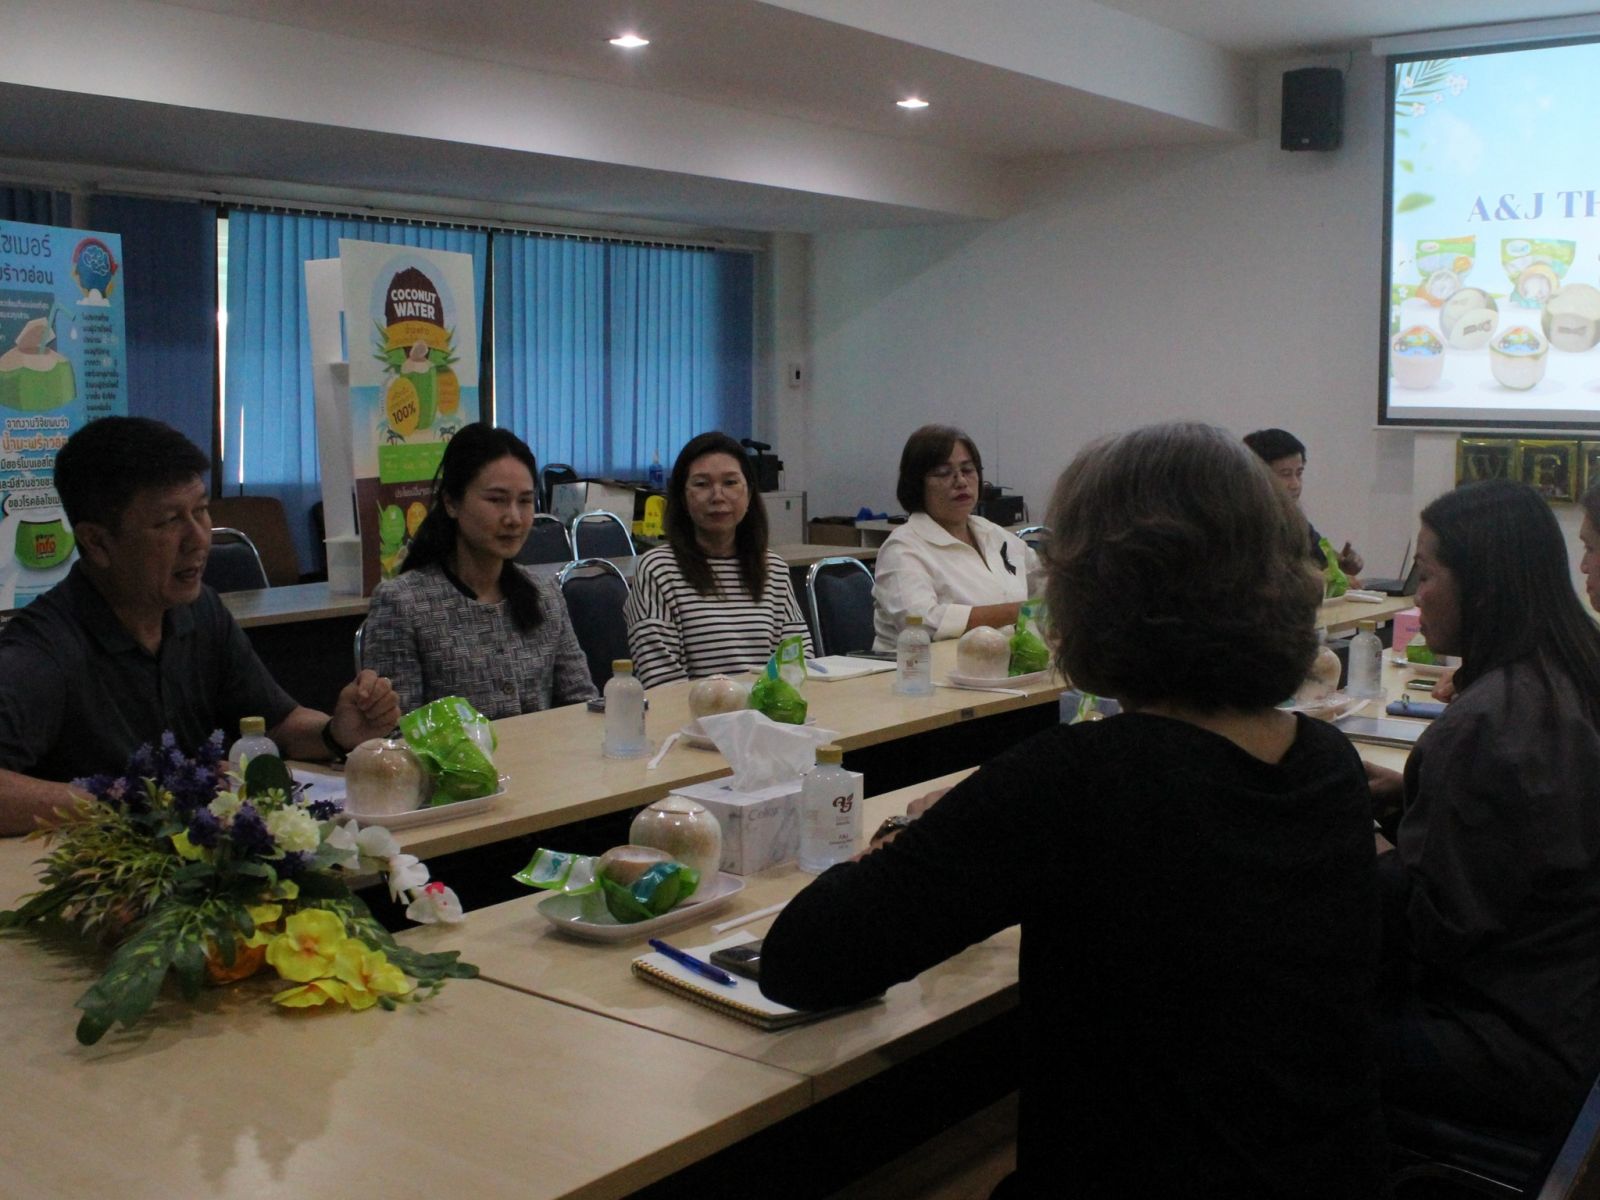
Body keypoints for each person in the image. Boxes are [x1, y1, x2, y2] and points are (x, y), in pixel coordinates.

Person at [762, 422, 1388, 1197]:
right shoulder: (1327, 764)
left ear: (1098, 593)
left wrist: (915, 826)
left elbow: (804, 959)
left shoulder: (1077, 781)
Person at [0, 417, 399, 836]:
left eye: (202, 511)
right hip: (99, 868)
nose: (199, 539)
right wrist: (134, 800)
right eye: (169, 521)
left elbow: (277, 721)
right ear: (97, 542)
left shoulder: (198, 609)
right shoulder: (43, 650)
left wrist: (335, 733)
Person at [1364, 479, 1600, 1138]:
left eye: (1427, 575)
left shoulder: (1488, 722)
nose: (1416, 594)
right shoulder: (1575, 671)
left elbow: (1435, 934)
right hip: (1571, 1015)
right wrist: (1414, 797)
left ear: (1484, 586)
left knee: (1283, 1028)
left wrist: (1364, 846)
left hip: (1511, 1042)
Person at [362, 424, 596, 720]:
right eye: (496, 500)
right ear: (451, 503)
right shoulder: (403, 603)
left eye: (525, 501)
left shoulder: (544, 594)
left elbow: (582, 704)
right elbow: (395, 730)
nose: (514, 518)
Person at [624, 431, 812, 688]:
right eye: (702, 484)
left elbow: (798, 662)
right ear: (682, 497)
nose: (717, 496)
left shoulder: (773, 568)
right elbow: (660, 680)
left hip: (767, 710)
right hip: (692, 712)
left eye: (730, 482)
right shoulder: (659, 570)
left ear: (749, 493)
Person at [870, 424, 1044, 652]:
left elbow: (1045, 583)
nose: (961, 481)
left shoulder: (993, 533)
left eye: (968, 470)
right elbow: (922, 623)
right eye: (943, 473)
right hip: (919, 669)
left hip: (999, 664)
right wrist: (1021, 611)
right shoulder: (902, 548)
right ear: (916, 484)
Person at [1243, 427, 1363, 576]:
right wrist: (1316, 578)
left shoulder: (1295, 520)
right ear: (1257, 476)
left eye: (1299, 473)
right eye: (1285, 474)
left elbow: (1324, 558)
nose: (1295, 484)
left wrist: (1341, 564)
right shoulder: (1242, 524)